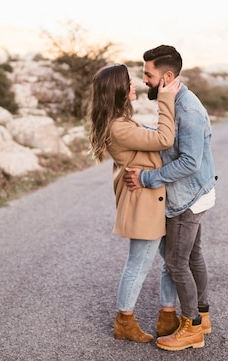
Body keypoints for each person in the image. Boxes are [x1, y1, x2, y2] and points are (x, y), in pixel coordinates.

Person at [124, 45, 217, 351]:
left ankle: (190, 327)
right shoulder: (176, 100)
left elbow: (189, 161)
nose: (144, 80)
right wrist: (140, 132)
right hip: (198, 192)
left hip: (187, 198)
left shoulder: (186, 108)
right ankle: (202, 316)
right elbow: (170, 142)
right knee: (192, 257)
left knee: (177, 262)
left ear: (166, 75)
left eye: (148, 74)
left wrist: (147, 178)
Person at [87, 63, 182, 343]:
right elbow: (165, 139)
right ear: (117, 90)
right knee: (139, 264)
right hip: (144, 204)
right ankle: (124, 321)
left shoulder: (122, 122)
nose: (134, 86)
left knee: (171, 261)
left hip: (153, 199)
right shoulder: (119, 127)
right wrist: (166, 100)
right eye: (128, 82)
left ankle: (168, 316)